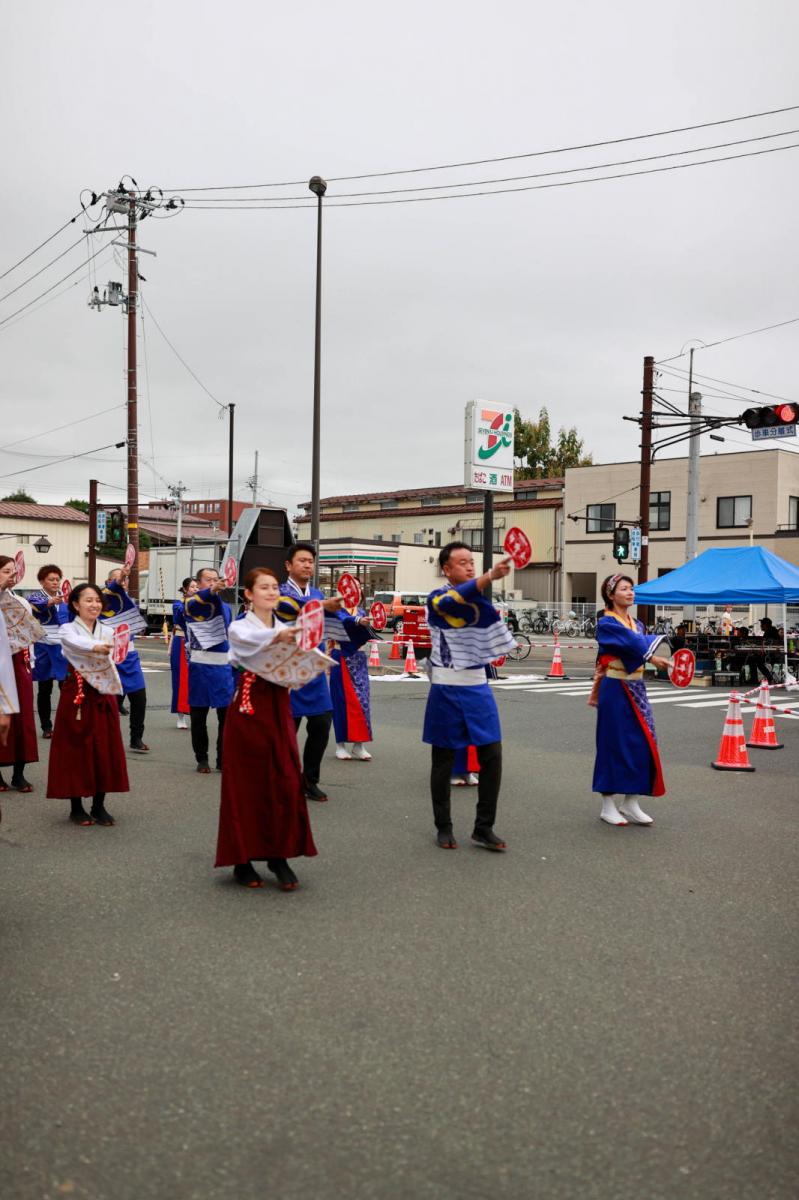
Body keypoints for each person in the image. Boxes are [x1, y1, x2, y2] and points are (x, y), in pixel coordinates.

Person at [215, 567, 319, 889]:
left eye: (275, 587)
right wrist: (285, 636)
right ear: (248, 594)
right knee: (246, 783)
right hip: (248, 709)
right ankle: (242, 860)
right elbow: (250, 642)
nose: (272, 592)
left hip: (277, 707)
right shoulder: (238, 627)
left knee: (285, 778)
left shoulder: (284, 626)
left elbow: (296, 660)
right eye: (264, 587)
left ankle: (280, 856)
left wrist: (303, 669)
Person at [423, 542, 516, 851]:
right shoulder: (437, 598)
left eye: (471, 562)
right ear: (446, 570)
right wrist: (489, 576)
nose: (469, 566)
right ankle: (443, 826)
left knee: (492, 756)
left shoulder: (479, 601)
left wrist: (485, 582)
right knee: (443, 760)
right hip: (446, 687)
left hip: (477, 687)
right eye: (461, 563)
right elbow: (452, 600)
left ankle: (483, 827)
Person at [588, 574, 672, 826]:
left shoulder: (638, 623)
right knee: (613, 743)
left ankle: (631, 801)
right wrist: (654, 658)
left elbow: (637, 642)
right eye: (624, 589)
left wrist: (649, 654)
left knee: (644, 741)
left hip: (637, 687)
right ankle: (607, 805)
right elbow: (632, 644)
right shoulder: (606, 623)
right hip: (615, 688)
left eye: (632, 588)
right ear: (611, 595)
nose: (630, 592)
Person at [46, 583, 129, 826]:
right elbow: (75, 644)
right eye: (88, 600)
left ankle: (99, 804)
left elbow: (118, 656)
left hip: (103, 693)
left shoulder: (109, 629)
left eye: (98, 601)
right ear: (75, 604)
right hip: (78, 694)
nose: (94, 605)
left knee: (105, 746)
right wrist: (96, 646)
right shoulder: (67, 629)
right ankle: (76, 806)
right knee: (75, 748)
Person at [276, 544, 348, 801]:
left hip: (315, 669)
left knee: (321, 725)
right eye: (302, 561)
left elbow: (335, 620)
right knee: (287, 731)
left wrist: (358, 624)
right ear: (288, 565)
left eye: (311, 561)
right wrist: (321, 605)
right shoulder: (279, 592)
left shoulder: (317, 594)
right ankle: (282, 779)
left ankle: (310, 779)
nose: (308, 565)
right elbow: (292, 606)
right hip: (288, 669)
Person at [185, 566, 234, 773]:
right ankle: (202, 758)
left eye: (216, 579)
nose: (213, 582)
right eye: (208, 580)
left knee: (226, 717)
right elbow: (191, 608)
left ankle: (223, 758)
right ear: (198, 584)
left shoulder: (227, 607)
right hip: (201, 667)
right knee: (199, 716)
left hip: (223, 667)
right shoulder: (190, 604)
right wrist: (210, 593)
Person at [0, 555, 40, 793]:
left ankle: (19, 773)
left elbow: (28, 638)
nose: (11, 576)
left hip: (19, 663)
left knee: (23, 718)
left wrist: (29, 663)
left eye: (13, 572)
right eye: (6, 571)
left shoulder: (22, 602)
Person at [101, 568, 149, 753]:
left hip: (129, 655)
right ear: (108, 582)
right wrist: (119, 578)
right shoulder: (102, 600)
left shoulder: (130, 601)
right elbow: (111, 590)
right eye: (117, 580)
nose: (122, 582)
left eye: (125, 580)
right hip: (109, 657)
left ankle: (136, 737)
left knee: (139, 699)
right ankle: (108, 738)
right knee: (110, 702)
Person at [329, 604, 375, 761]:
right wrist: (357, 621)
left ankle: (359, 744)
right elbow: (344, 621)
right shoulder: (336, 610)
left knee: (362, 701)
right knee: (341, 701)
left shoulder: (361, 610)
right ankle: (340, 745)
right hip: (340, 657)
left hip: (359, 659)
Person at [28, 563, 69, 738]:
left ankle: (66, 724)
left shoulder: (66, 598)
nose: (55, 582)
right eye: (51, 579)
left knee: (66, 687)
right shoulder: (34, 597)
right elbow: (35, 605)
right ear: (42, 581)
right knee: (45, 688)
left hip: (62, 648)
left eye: (57, 579)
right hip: (43, 646)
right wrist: (50, 601)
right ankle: (46, 727)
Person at [169, 577, 197, 730]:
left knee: (196, 680)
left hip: (197, 644)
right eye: (192, 587)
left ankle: (196, 713)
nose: (195, 589)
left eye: (197, 586)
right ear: (185, 589)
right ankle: (181, 715)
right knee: (181, 680)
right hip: (180, 643)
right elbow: (181, 616)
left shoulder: (201, 604)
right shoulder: (178, 604)